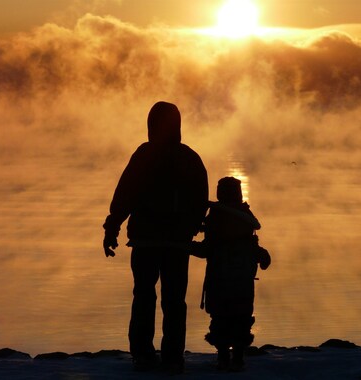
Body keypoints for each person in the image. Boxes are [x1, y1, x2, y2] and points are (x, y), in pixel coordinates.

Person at [103, 101, 209, 373]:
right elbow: (200, 200)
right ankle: (172, 357)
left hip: (147, 241)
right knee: (173, 300)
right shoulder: (190, 158)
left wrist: (112, 227)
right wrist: (192, 225)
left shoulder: (144, 154)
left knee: (144, 296)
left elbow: (125, 194)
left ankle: (144, 354)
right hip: (174, 243)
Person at [191, 177, 271, 372]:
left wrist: (184, 246)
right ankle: (237, 357)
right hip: (242, 280)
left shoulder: (216, 216)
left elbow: (207, 249)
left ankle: (224, 357)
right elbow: (250, 244)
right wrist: (262, 255)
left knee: (221, 318)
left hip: (220, 278)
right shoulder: (245, 215)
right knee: (241, 318)